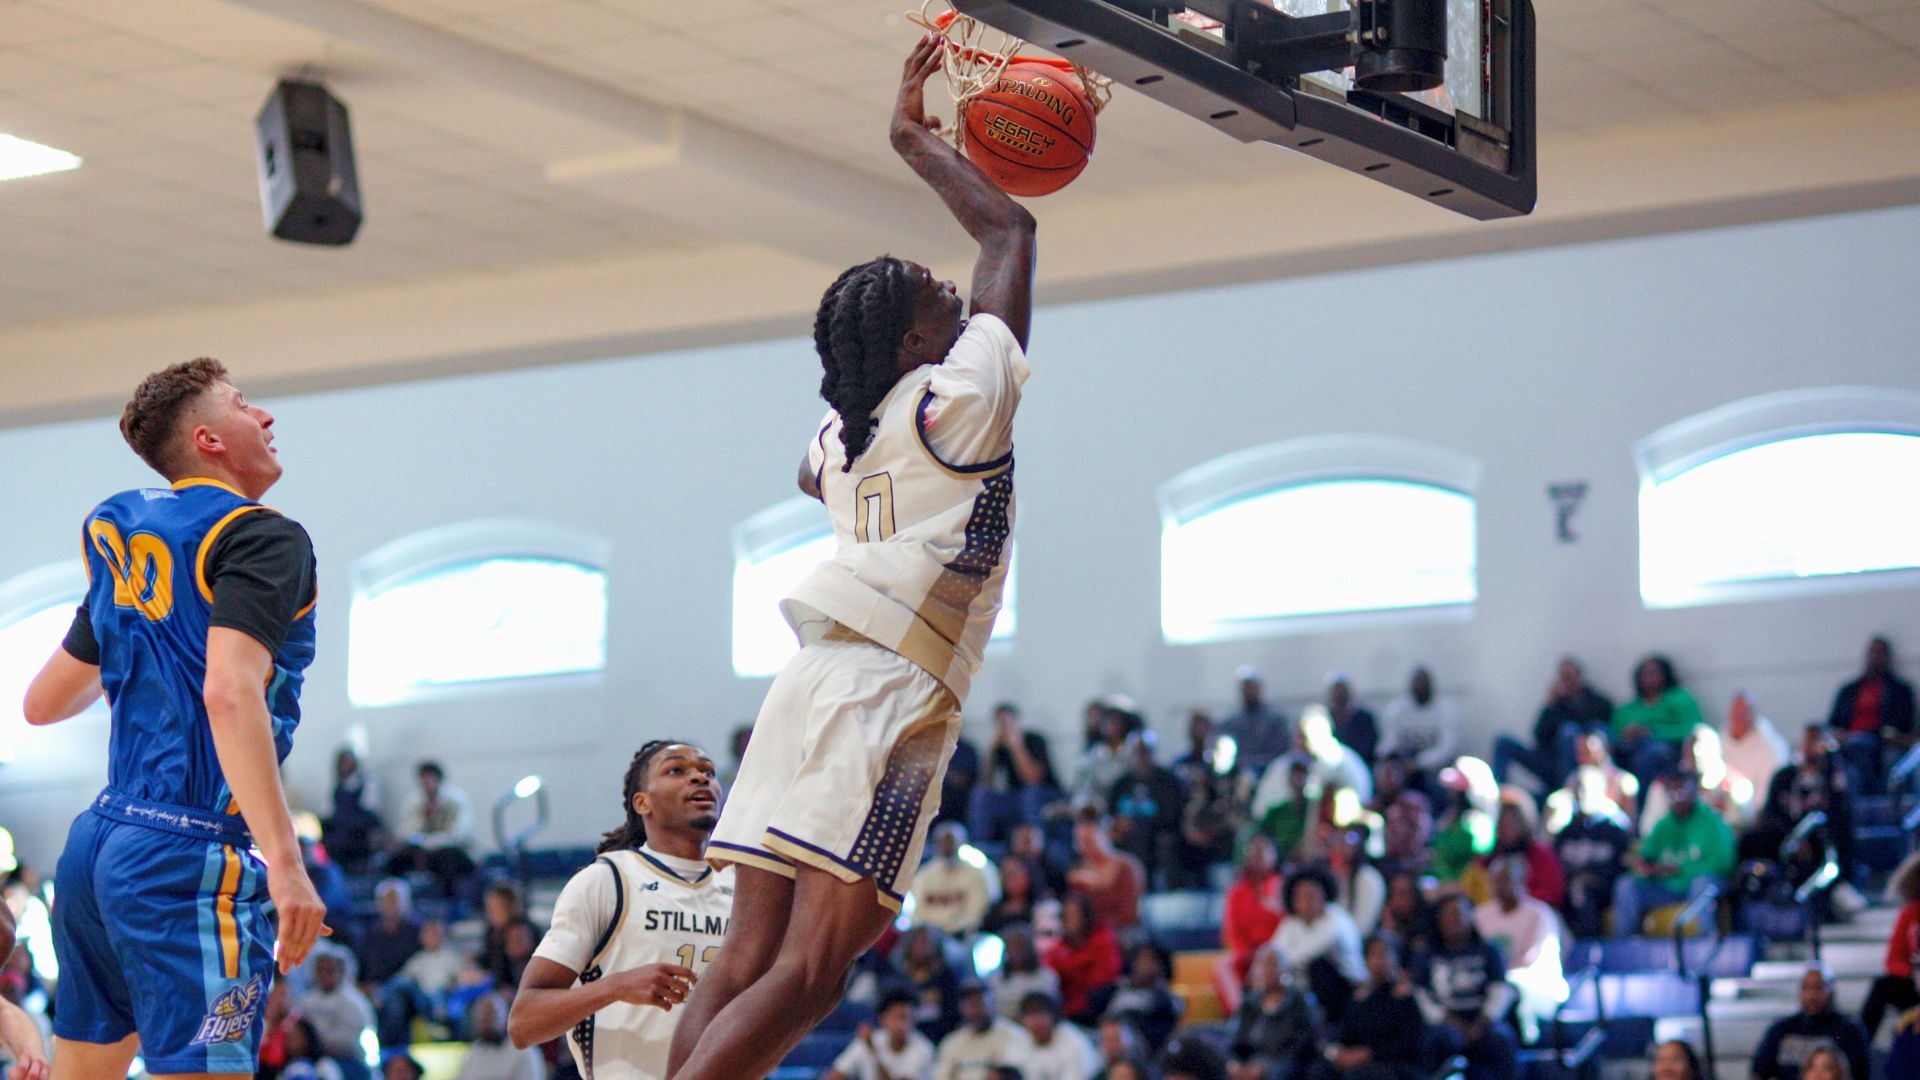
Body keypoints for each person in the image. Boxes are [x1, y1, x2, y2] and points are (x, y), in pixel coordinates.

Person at [669, 44, 1035, 1075]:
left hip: (810, 681)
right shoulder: (959, 399)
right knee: (813, 971)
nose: (951, 292)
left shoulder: (841, 437)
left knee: (746, 956)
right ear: (920, 343)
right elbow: (1009, 229)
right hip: (893, 695)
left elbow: (812, 473)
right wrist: (913, 140)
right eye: (933, 292)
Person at [23, 358, 327, 1079]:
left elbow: (43, 703)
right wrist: (287, 868)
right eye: (244, 404)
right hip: (186, 852)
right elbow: (229, 692)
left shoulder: (120, 532)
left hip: (97, 845)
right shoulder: (262, 536)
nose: (265, 417)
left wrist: (151, 644)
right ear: (208, 440)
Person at [508, 741, 725, 1080]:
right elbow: (523, 1024)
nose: (699, 778)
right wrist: (613, 987)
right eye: (676, 770)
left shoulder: (744, 890)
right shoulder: (606, 881)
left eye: (707, 772)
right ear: (643, 802)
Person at [1611, 773, 1735, 938]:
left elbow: (1724, 862)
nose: (1676, 799)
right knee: (1626, 885)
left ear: (1694, 792)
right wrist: (1643, 867)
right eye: (1671, 794)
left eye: (1681, 793)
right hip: (1668, 887)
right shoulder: (1664, 825)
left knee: (1702, 883)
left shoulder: (1713, 822)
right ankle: (1623, 947)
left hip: (1703, 885)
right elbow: (1647, 856)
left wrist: (1680, 870)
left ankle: (1706, 941)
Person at [1410, 893, 1516, 1080]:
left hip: (1483, 1021)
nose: (1455, 919)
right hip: (1444, 1022)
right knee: (1436, 1040)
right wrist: (1453, 1023)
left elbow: (1501, 990)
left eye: (1459, 913)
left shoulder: (1488, 950)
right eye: (1449, 914)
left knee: (1502, 1039)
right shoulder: (1428, 954)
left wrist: (1482, 1023)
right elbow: (1422, 996)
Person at [1470, 857, 1563, 1043]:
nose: (1499, 886)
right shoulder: (1480, 914)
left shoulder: (1539, 914)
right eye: (1495, 880)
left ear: (1521, 881)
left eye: (1505, 880)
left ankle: (1526, 1040)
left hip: (1534, 983)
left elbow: (1531, 958)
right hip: (1492, 984)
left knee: (1509, 989)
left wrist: (1500, 976)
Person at [1312, 934, 1423, 1080]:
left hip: (1392, 1063)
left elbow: (1408, 1043)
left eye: (1384, 954)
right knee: (1320, 1071)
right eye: (1373, 955)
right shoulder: (1359, 997)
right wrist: (1339, 1052)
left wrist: (1368, 1054)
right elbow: (1346, 1031)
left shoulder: (1403, 996)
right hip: (1359, 1059)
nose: (1379, 961)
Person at [1494, 658, 1612, 792]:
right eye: (1563, 678)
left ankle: (1566, 792)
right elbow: (1539, 737)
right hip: (1552, 764)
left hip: (1580, 767)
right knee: (1503, 742)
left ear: (1579, 677)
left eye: (1570, 677)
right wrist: (1551, 705)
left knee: (1569, 731)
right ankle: (1498, 796)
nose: (1567, 683)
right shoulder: (1555, 705)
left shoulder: (1597, 702)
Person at [1271, 866, 1364, 1026]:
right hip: (1304, 989)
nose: (1306, 902)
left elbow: (1304, 955)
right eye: (1300, 896)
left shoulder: (1336, 920)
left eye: (1311, 895)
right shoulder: (1291, 923)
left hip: (1348, 990)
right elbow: (1274, 954)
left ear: (1324, 895)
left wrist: (1278, 964)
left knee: (1317, 967)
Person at [1827, 636, 1916, 794]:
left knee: (1890, 759)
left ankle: (1881, 800)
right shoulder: (1849, 690)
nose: (1876, 657)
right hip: (1850, 741)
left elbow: (1905, 723)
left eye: (1880, 653)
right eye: (1873, 652)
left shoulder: (1900, 690)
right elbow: (1833, 722)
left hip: (1884, 740)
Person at [1748, 966, 1870, 1080]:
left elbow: (1858, 1073)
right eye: (1806, 988)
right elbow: (1758, 1072)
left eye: (1818, 987)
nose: (1811, 995)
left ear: (1832, 991)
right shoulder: (1781, 1029)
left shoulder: (1849, 1030)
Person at [1226, 944, 1324, 1080]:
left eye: (1274, 965)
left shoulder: (1298, 1000)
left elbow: (1305, 1043)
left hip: (1287, 1063)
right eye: (1263, 965)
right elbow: (1235, 1039)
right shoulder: (1250, 1003)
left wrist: (1266, 1066)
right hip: (1251, 1060)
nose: (1268, 970)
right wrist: (1235, 1063)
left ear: (1285, 968)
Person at [1610, 655, 1703, 791]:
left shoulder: (1679, 698)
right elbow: (1614, 734)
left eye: (1654, 673)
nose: (1649, 679)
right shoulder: (1628, 709)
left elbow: (1693, 730)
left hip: (1667, 750)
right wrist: (1627, 734)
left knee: (1647, 756)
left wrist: (1652, 732)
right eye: (1644, 674)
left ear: (1665, 675)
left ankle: (1644, 805)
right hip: (1630, 749)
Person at [386, 761, 476, 898]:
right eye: (424, 779)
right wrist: (423, 818)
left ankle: (452, 902)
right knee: (394, 860)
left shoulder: (456, 800)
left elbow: (459, 834)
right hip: (421, 850)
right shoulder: (414, 801)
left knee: (447, 860)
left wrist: (430, 841)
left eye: (431, 778)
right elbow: (404, 831)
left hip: (448, 850)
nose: (427, 783)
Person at [1106, 732, 1185, 888]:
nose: (1142, 757)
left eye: (1145, 752)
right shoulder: (1120, 785)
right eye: (1138, 752)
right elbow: (1111, 814)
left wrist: (1139, 824)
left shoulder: (1167, 781)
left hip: (1157, 835)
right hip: (1126, 838)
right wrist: (1119, 826)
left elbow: (1172, 815)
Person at [1378, 668, 1461, 796]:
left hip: (1435, 767)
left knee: (1440, 781)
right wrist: (1390, 762)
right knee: (1386, 775)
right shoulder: (1397, 710)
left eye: (1424, 685)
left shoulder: (1446, 711)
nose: (1420, 688)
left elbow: (1447, 749)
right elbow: (1389, 743)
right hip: (1404, 763)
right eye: (1417, 684)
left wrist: (1419, 763)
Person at [1045, 894, 1124, 1028]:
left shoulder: (1102, 939)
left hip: (1099, 1005)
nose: (1068, 920)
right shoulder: (1057, 949)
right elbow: (1051, 977)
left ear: (1086, 916)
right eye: (1066, 915)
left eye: (1074, 915)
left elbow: (1104, 978)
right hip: (1068, 1009)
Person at [1864, 853, 1920, 1039]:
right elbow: (1894, 959)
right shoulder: (1910, 914)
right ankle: (1861, 1044)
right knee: (1883, 987)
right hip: (1914, 983)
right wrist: (1911, 975)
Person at [828, 988, 937, 1080]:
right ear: (883, 1019)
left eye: (906, 1018)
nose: (902, 1025)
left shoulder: (923, 1048)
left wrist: (873, 1052)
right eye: (896, 1018)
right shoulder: (869, 1039)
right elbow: (837, 1073)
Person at [1065, 811, 1146, 933]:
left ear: (1102, 838)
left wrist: (1095, 884)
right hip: (1091, 933)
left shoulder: (1125, 865)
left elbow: (1130, 912)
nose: (1084, 848)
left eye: (1088, 841)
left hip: (1124, 930)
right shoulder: (1079, 871)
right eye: (1079, 843)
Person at [913, 823, 998, 938]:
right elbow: (917, 912)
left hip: (965, 936)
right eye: (943, 842)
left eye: (951, 842)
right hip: (930, 937)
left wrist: (957, 930)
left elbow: (977, 911)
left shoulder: (976, 873)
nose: (948, 847)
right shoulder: (924, 875)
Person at [1222, 837, 1285, 989]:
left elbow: (1289, 925)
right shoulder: (1236, 893)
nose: (1258, 856)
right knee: (1224, 967)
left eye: (1263, 851)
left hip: (1280, 950)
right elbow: (1232, 931)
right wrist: (1248, 955)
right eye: (1254, 852)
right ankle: (1241, 1010)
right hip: (1247, 954)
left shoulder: (1284, 887)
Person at [296, 946, 376, 1064]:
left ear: (341, 971)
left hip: (350, 1061)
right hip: (312, 1058)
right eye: (320, 970)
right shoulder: (306, 1000)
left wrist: (315, 1040)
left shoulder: (354, 1003)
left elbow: (349, 1042)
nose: (324, 975)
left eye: (329, 970)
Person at [935, 982, 1029, 1080]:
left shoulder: (1015, 1035)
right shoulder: (951, 1042)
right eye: (969, 1005)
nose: (975, 1010)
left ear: (993, 1003)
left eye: (979, 1003)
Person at [1101, 943, 1180, 1055]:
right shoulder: (1117, 989)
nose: (1145, 966)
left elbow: (1158, 1038)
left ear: (1160, 966)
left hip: (1140, 1053)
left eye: (1150, 961)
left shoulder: (1165, 1000)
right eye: (1141, 960)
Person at [1005, 992, 1098, 1080]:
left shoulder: (1075, 1042)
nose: (1035, 1022)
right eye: (1029, 1015)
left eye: (1040, 1013)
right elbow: (1010, 1072)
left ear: (1053, 1015)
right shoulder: (1020, 1041)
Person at [456, 992, 544, 1080]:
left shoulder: (524, 1051)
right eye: (480, 1018)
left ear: (505, 1017)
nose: (485, 1024)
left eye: (490, 1016)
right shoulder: (475, 1051)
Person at [323, 747, 383, 874]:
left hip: (359, 830)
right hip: (339, 828)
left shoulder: (367, 783)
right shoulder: (336, 787)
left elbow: (370, 810)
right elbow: (329, 811)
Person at [1222, 667, 1292, 775]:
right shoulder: (1231, 723)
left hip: (1271, 772)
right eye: (1245, 687)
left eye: (1251, 686)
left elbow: (1282, 751)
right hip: (1240, 773)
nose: (1248, 691)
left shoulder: (1276, 720)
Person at [358, 878, 423, 994]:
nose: (390, 905)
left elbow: (415, 966)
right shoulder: (372, 931)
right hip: (375, 986)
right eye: (386, 900)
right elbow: (366, 964)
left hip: (405, 987)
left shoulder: (417, 930)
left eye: (394, 900)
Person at [1722, 692, 1789, 802]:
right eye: (1735, 713)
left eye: (1743, 713)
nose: (1738, 718)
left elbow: (1767, 795)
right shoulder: (1718, 742)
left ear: (1753, 714)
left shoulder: (1772, 748)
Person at [990, 928, 1060, 1024]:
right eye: (1012, 946)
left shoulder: (1047, 976)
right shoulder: (994, 978)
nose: (1017, 951)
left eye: (1021, 945)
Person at [1326, 675, 1380, 769]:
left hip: (1361, 766)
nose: (1339, 694)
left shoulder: (1364, 718)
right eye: (1336, 690)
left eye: (1342, 690)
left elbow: (1369, 746)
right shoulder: (1325, 718)